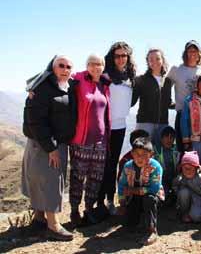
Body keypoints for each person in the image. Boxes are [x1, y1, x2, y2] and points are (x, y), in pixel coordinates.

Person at [22, 55, 76, 241]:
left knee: (41, 180)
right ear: (52, 67)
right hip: (45, 144)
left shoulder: (67, 86)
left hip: (53, 142)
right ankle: (53, 225)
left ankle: (39, 220)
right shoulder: (43, 88)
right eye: (61, 65)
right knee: (50, 182)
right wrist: (51, 147)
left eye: (69, 66)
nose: (65, 69)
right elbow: (36, 121)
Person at [69, 54, 111, 226]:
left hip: (101, 140)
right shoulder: (78, 78)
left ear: (103, 66)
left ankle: (89, 209)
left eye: (99, 64)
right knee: (78, 176)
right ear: (86, 66)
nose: (95, 67)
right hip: (82, 139)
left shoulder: (105, 84)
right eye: (91, 64)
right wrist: (34, 89)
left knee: (95, 177)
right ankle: (74, 211)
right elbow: (57, 75)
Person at [98, 41, 136, 215]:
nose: (120, 59)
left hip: (120, 126)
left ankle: (109, 201)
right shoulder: (105, 76)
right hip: (104, 126)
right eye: (117, 56)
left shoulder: (130, 76)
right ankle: (98, 203)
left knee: (112, 165)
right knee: (101, 165)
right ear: (111, 58)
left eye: (124, 55)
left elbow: (131, 99)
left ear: (128, 57)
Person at [118, 137, 163, 245]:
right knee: (130, 224)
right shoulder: (127, 166)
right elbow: (121, 185)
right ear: (132, 153)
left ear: (151, 154)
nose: (140, 157)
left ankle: (152, 231)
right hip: (134, 197)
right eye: (137, 154)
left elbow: (154, 188)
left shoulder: (156, 167)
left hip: (152, 196)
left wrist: (133, 190)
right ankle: (137, 220)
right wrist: (122, 203)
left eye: (144, 154)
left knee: (149, 199)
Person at [167, 40, 201, 152]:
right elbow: (166, 87)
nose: (192, 53)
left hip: (200, 114)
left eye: (195, 51)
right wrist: (169, 103)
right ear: (185, 53)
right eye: (190, 51)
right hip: (182, 114)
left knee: (198, 148)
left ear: (199, 54)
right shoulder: (176, 70)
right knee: (182, 147)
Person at [132, 48, 173, 145]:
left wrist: (182, 105)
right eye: (151, 59)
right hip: (145, 123)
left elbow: (168, 102)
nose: (154, 62)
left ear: (162, 60)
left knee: (160, 154)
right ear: (148, 62)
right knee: (143, 153)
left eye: (158, 58)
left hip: (163, 124)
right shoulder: (140, 80)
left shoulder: (167, 81)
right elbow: (131, 101)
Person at [154, 126, 180, 205]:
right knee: (165, 198)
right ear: (161, 138)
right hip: (161, 179)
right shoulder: (155, 151)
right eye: (166, 137)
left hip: (174, 177)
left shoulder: (176, 150)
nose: (169, 140)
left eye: (171, 137)